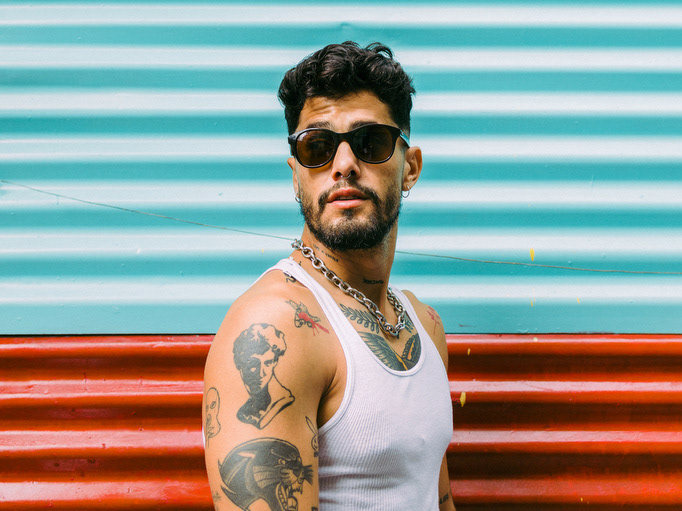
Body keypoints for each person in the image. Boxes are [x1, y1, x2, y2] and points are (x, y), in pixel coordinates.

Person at [203, 41, 455, 511]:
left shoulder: (425, 326)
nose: (343, 165)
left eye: (371, 142)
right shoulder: (275, 326)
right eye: (316, 147)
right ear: (296, 175)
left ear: (410, 168)